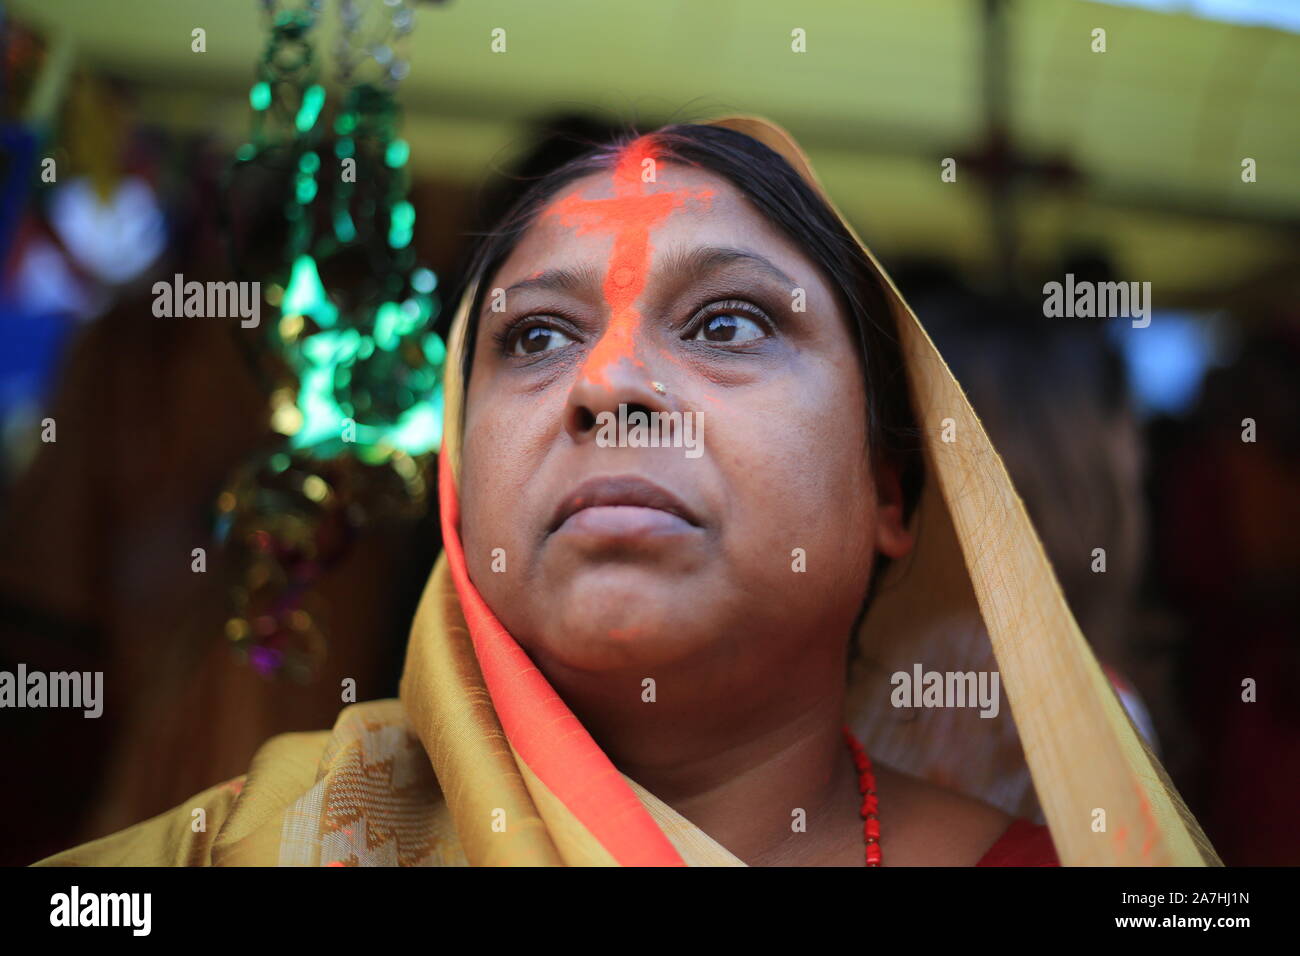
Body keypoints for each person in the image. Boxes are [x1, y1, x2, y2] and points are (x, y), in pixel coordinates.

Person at [32, 115, 1218, 866]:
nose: (605, 383)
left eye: (728, 320)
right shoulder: (248, 848)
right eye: (536, 336)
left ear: (890, 489)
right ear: (460, 478)